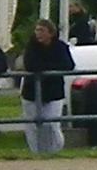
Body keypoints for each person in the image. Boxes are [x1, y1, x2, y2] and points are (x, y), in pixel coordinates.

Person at [19, 18, 75, 155]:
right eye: (37, 30)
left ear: (50, 33)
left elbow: (68, 65)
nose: (38, 33)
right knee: (32, 126)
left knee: (51, 124)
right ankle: (36, 153)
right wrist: (51, 67)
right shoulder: (31, 47)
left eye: (42, 30)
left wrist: (47, 69)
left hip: (54, 92)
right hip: (31, 92)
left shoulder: (60, 47)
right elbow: (32, 65)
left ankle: (55, 150)